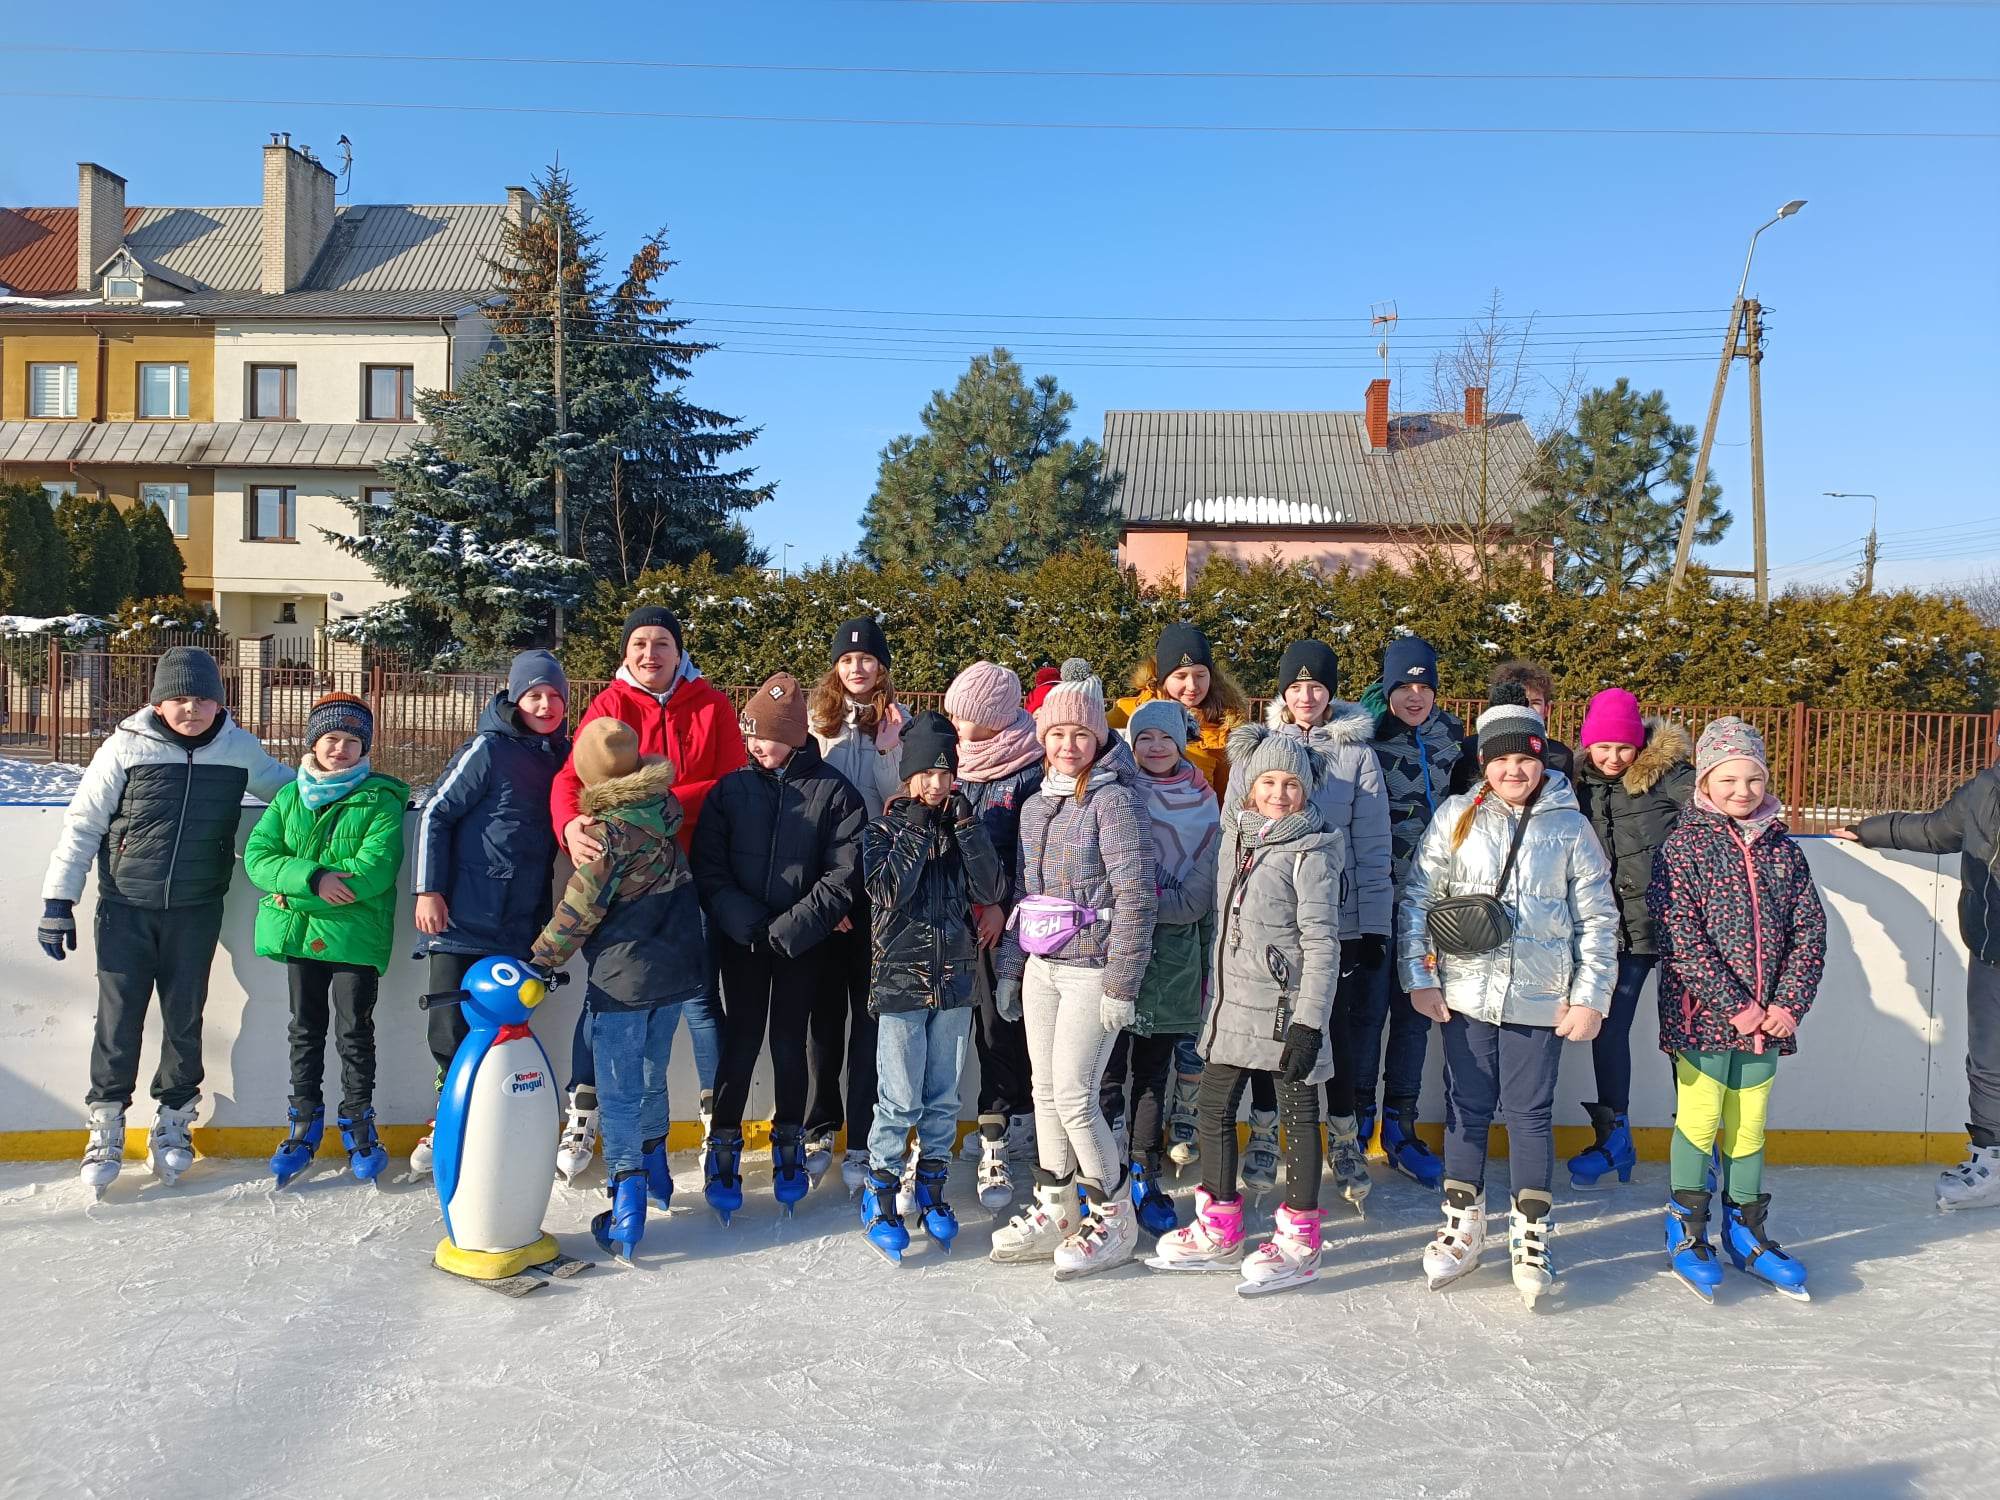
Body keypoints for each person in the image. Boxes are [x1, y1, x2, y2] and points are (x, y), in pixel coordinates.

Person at [38, 647, 293, 1194]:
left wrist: (353, 792)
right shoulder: (126, 746)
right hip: (125, 905)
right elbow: (83, 824)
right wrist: (59, 904)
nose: (191, 709)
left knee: (185, 1016)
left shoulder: (238, 748)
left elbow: (292, 794)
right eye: (179, 698)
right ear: (158, 701)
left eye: (203, 699)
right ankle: (105, 1121)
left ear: (219, 704)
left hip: (196, 908)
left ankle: (174, 1119)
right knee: (119, 1018)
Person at [1399, 691, 1617, 1308]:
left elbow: (1598, 919)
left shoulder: (1571, 827)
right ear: (1483, 763)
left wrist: (1589, 997)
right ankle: (1463, 1223)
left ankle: (1530, 1233)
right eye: (1499, 761)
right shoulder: (1456, 815)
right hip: (1465, 995)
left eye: (1524, 759)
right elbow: (1417, 897)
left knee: (1530, 1113)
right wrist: (1419, 976)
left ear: (1542, 759)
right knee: (1466, 1108)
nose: (1512, 771)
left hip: (1541, 1000)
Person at [548, 607, 743, 1182]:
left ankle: (718, 1116)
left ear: (679, 652)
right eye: (639, 642)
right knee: (605, 995)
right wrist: (570, 825)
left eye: (662, 643)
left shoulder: (712, 705)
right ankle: (584, 1108)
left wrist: (658, 805)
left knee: (700, 999)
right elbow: (570, 778)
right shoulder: (609, 705)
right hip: (625, 881)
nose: (650, 653)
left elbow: (731, 783)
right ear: (627, 651)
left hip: (694, 873)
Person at [1150, 728, 1343, 1294]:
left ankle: (1301, 1237)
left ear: (1307, 790)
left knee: (1297, 1116)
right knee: (1213, 1108)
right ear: (1248, 786)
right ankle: (1219, 1226)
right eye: (1267, 782)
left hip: (1287, 1007)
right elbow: (1196, 900)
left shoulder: (1312, 852)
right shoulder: (1235, 837)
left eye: (1290, 784)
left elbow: (1323, 943)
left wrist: (1310, 1019)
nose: (1278, 794)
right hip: (1231, 1003)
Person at [990, 661, 1158, 1279]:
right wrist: (1012, 968)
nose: (1068, 746)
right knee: (1042, 1093)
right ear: (1043, 737)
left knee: (1076, 1097)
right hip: (1043, 966)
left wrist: (1121, 982)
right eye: (1057, 734)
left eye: (1080, 735)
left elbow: (1138, 893)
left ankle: (1113, 1215)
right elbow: (1025, 900)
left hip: (1092, 971)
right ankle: (1055, 1206)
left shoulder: (1114, 801)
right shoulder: (1036, 804)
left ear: (1098, 739)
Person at [1649, 718, 1825, 1301]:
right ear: (1705, 779)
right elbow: (1679, 936)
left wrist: (1786, 1006)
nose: (1743, 790)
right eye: (1729, 778)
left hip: (1768, 1026)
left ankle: (1747, 1233)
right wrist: (1738, 1008)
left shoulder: (1782, 849)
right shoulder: (1685, 845)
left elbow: (1809, 931)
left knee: (1749, 1126)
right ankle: (1686, 1230)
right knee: (1700, 1121)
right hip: (1703, 1018)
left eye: (1754, 778)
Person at [530, 718, 708, 1259]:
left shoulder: (606, 836)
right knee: (653, 1073)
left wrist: (538, 961)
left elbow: (579, 910)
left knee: (619, 1088)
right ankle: (657, 1175)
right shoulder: (664, 812)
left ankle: (627, 1204)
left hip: (624, 979)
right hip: (676, 969)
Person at [1224, 639, 1391, 1214]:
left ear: (1331, 691)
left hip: (1333, 921)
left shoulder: (1356, 754)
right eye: (1295, 688)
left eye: (1316, 687)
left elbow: (1372, 844)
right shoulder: (1263, 749)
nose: (1306, 697)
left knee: (1333, 1030)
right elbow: (1235, 835)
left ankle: (1344, 1136)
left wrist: (1371, 924)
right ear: (1282, 693)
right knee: (1273, 1030)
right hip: (1268, 924)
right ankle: (1266, 1130)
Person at [691, 673, 866, 1220]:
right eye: (752, 735)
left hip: (801, 946)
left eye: (766, 735)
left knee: (791, 1042)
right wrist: (747, 924)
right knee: (740, 1041)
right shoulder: (730, 790)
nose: (756, 744)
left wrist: (791, 928)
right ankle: (723, 1137)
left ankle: (790, 1132)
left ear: (793, 735)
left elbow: (844, 873)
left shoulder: (833, 791)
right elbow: (710, 868)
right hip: (742, 943)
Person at [408, 650, 571, 1176]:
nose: (545, 704)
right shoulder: (488, 748)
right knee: (450, 1031)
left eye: (554, 695)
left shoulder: (564, 755)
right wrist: (428, 890)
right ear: (515, 697)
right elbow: (437, 811)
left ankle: (497, 1119)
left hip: (520, 920)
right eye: (534, 694)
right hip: (460, 918)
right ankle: (448, 1119)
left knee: (508, 1025)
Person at [855, 713, 1008, 1262]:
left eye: (946, 774)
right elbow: (888, 893)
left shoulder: (966, 827)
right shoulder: (882, 831)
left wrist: (967, 830)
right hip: (901, 986)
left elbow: (991, 888)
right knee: (899, 1100)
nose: (938, 786)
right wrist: (918, 825)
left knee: (943, 1099)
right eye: (927, 775)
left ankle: (932, 1188)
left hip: (956, 984)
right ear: (909, 775)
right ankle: (880, 1190)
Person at [244, 694, 409, 1187]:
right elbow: (258, 856)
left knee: (355, 1032)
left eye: (351, 741)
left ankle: (358, 1120)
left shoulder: (380, 799)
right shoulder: (290, 796)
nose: (340, 749)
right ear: (314, 742)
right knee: (305, 1029)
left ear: (365, 748)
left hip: (353, 939)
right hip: (300, 940)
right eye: (331, 738)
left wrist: (293, 896)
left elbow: (373, 871)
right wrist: (313, 878)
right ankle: (303, 1121)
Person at [1833, 744, 2000, 1210]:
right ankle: (1994, 1160)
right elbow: (1935, 829)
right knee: (1990, 1063)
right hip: (1994, 951)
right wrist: (1870, 831)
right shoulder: (1985, 790)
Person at [1566, 688, 1694, 1190]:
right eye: (1603, 748)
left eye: (1624, 747)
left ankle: (1698, 1144)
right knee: (1609, 1028)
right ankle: (1614, 1135)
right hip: (1619, 933)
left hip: (1679, 931)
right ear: (1588, 745)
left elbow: (1716, 813)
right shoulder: (1576, 787)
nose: (1614, 758)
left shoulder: (1670, 778)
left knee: (1688, 1039)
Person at [1352, 636, 1464, 1190]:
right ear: (1388, 688)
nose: (1415, 696)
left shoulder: (1454, 739)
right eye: (1405, 686)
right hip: (1376, 901)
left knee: (1415, 1017)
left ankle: (1400, 1126)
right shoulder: (1368, 737)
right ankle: (1356, 1123)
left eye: (1424, 686)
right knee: (1366, 1016)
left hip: (1434, 908)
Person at [808, 617, 907, 1191]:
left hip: (878, 888)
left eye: (867, 659)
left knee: (870, 1018)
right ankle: (822, 1123)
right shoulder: (817, 723)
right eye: (847, 660)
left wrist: (891, 751)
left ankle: (865, 1136)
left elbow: (897, 802)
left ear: (881, 666)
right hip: (827, 885)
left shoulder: (898, 722)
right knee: (825, 1018)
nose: (857, 668)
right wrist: (829, 891)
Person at [943, 661, 1045, 1210]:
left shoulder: (1030, 768)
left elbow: (1032, 853)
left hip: (1007, 919)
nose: (959, 724)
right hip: (959, 915)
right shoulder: (954, 764)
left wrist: (1001, 907)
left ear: (997, 718)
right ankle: (994, 1117)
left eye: (969, 716)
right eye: (955, 713)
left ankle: (1010, 1122)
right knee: (977, 1022)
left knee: (1005, 1022)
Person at [1118, 699, 1220, 1235]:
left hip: (1177, 952)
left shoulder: (1206, 802)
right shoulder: (1118, 793)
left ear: (1182, 743)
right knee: (1108, 1069)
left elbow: (1204, 886)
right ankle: (1106, 1170)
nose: (1155, 748)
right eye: (1143, 739)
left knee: (1152, 1071)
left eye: (1165, 738)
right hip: (1115, 947)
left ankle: (1143, 1166)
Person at [1109, 623, 1250, 799]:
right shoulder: (1127, 712)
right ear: (1163, 678)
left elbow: (1226, 799)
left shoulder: (1223, 725)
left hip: (1194, 821)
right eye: (1181, 676)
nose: (1192, 686)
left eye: (1200, 675)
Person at [1450, 659, 1575, 793]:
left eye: (1535, 703)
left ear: (1546, 709)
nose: (1526, 708)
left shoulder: (1560, 756)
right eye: (1519, 700)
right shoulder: (1471, 749)